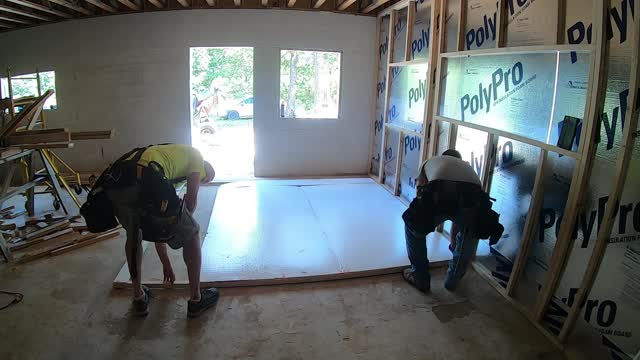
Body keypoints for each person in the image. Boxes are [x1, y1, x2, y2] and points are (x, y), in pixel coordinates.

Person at [105, 144, 217, 317]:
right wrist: (182, 223)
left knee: (134, 235)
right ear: (205, 169)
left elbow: (159, 224)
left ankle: (139, 298)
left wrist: (166, 263)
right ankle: (196, 300)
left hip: (116, 182)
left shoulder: (172, 156)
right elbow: (191, 202)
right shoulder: (197, 158)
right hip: (143, 179)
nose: (201, 181)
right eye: (204, 179)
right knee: (192, 232)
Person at [401, 149, 501, 292]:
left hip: (439, 194)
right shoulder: (468, 170)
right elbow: (459, 215)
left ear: (443, 157)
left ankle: (420, 277)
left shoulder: (430, 162)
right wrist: (454, 240)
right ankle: (452, 281)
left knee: (413, 226)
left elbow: (421, 199)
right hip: (471, 203)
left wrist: (423, 224)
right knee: (469, 231)